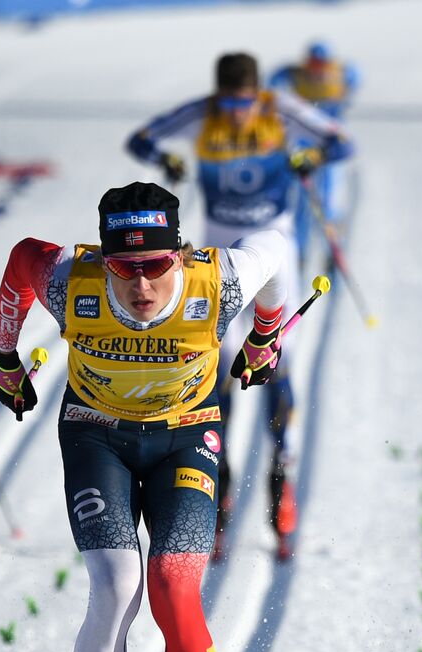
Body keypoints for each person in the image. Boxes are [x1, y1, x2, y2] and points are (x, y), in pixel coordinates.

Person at [0, 182, 291, 652]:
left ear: (181, 252)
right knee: (116, 586)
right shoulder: (72, 280)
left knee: (174, 588)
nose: (144, 283)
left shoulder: (221, 280)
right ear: (104, 260)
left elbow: (278, 246)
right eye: (126, 269)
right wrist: (3, 353)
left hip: (186, 437)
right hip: (99, 438)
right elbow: (19, 257)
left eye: (157, 265)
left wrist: (266, 333)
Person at [125, 51, 352, 560]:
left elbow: (341, 141)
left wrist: (311, 157)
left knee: (275, 363)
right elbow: (141, 139)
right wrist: (166, 160)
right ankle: (216, 498)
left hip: (275, 253)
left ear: (257, 94)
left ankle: (282, 481)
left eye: (244, 102)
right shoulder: (201, 113)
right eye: (228, 101)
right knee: (217, 373)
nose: (236, 112)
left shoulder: (281, 109)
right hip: (221, 258)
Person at [271, 41, 360, 254]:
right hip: (305, 142)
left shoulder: (337, 73)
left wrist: (347, 90)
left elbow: (355, 75)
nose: (316, 68)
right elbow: (275, 78)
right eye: (313, 62)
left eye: (321, 63)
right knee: (302, 196)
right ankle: (299, 247)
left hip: (328, 143)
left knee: (327, 195)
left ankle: (332, 242)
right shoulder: (297, 74)